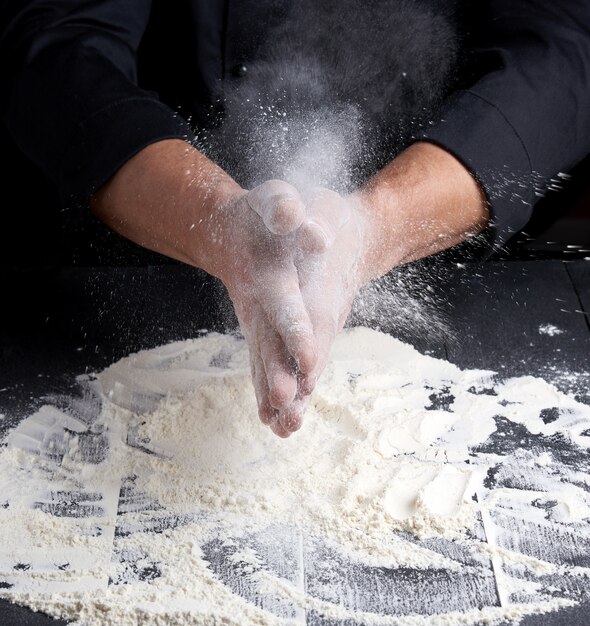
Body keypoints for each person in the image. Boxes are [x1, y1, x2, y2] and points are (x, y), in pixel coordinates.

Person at [1, 0, 589, 438]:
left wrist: (372, 228)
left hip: (449, 251)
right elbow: (57, 45)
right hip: (150, 247)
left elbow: (564, 52)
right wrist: (217, 221)